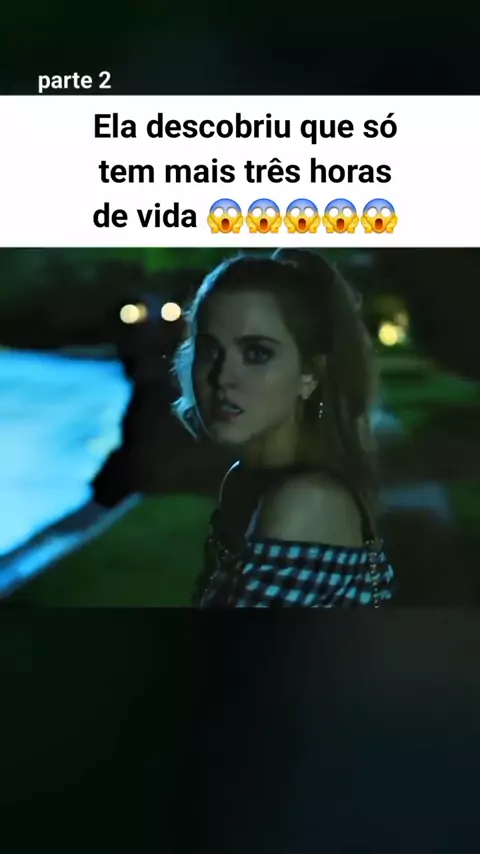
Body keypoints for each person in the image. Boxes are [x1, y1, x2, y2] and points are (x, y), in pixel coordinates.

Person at [172, 249, 395, 608]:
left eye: (256, 353)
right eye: (210, 351)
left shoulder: (306, 503)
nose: (223, 377)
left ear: (309, 375)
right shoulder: (243, 480)